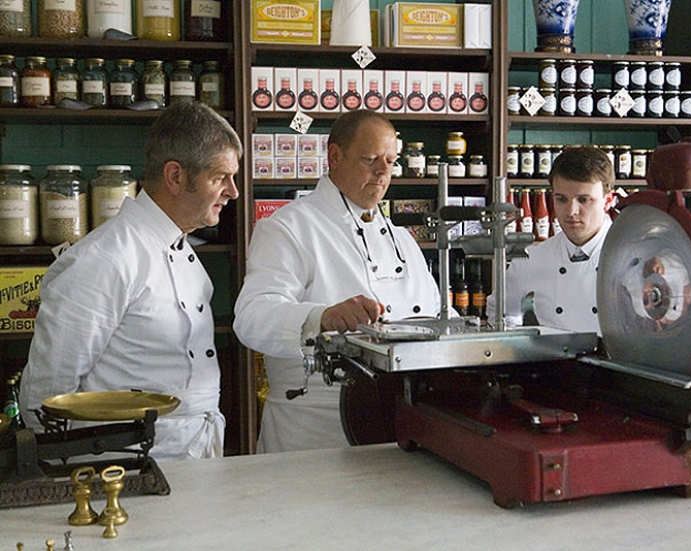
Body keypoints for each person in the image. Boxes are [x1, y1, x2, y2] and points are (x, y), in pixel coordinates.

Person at [19, 102, 242, 460]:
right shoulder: (104, 259)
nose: (233, 191)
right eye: (220, 178)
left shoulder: (179, 246)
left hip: (186, 460)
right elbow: (46, 396)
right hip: (124, 472)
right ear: (175, 177)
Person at [233, 110, 442, 453]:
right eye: (370, 159)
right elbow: (252, 318)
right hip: (312, 429)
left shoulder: (402, 239)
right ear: (334, 156)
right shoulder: (288, 227)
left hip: (398, 425)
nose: (383, 171)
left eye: (391, 160)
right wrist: (322, 318)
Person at [488, 146, 615, 334]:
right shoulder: (531, 258)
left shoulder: (632, 256)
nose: (571, 211)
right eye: (561, 199)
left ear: (608, 200)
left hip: (614, 362)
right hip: (555, 361)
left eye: (584, 199)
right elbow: (499, 313)